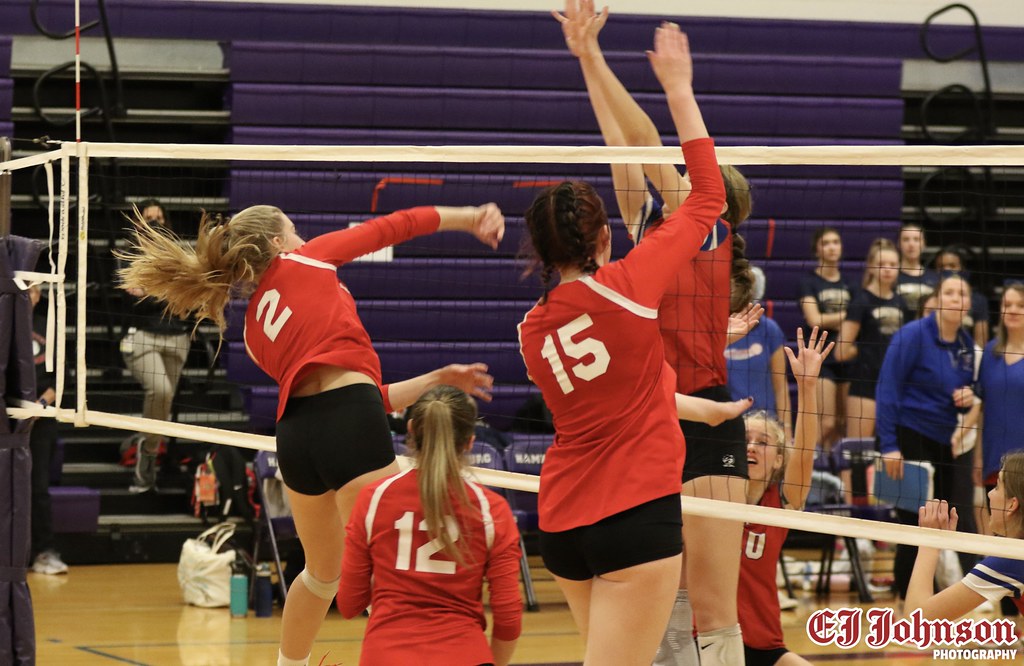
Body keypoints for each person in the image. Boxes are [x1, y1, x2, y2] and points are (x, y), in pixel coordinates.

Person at [117, 201, 504, 666]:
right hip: (350, 422)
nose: (302, 238)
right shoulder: (306, 259)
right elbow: (392, 226)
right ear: (278, 244)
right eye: (294, 230)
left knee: (322, 575)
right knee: (397, 573)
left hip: (297, 438)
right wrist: (469, 217)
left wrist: (432, 380)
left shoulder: (256, 331)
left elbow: (354, 394)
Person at [518, 20, 752, 666]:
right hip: (643, 421)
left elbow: (647, 144)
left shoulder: (707, 233)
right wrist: (588, 59)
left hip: (700, 423)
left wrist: (660, 82)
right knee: (658, 613)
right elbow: (623, 144)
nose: (664, 177)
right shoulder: (641, 246)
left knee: (709, 609)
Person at [337, 386, 522, 666]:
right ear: (470, 441)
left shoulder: (374, 499)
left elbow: (350, 604)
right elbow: (508, 620)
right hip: (464, 654)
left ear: (411, 429)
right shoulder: (491, 510)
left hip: (386, 655)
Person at [877, 274, 977, 600]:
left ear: (968, 303)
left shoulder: (964, 344)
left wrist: (967, 394)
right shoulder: (912, 335)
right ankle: (909, 599)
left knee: (941, 519)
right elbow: (888, 389)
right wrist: (890, 446)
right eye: (948, 292)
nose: (954, 298)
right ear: (936, 299)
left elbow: (966, 390)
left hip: (943, 442)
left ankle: (927, 596)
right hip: (910, 437)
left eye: (961, 293)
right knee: (913, 520)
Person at [740, 327, 833, 666]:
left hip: (764, 643)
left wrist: (807, 386)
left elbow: (805, 451)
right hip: (708, 640)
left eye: (762, 443)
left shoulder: (780, 503)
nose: (751, 446)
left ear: (779, 459)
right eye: (746, 440)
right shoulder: (713, 493)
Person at [119, 199, 192, 493]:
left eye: (159, 219)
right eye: (149, 219)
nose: (155, 224)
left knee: (165, 402)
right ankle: (147, 456)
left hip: (177, 339)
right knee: (159, 391)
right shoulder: (126, 255)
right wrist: (171, 296)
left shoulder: (181, 256)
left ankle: (145, 452)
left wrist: (160, 294)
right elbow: (134, 300)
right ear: (138, 224)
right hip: (141, 337)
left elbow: (191, 299)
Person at [904, 452, 1024, 622]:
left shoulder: (1010, 560)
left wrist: (930, 543)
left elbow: (917, 619)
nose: (989, 494)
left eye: (997, 487)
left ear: (1012, 504)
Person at [975, 282, 1024, 613]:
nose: (1012, 310)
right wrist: (977, 456)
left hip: (1023, 465)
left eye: (1019, 304)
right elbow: (980, 409)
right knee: (998, 534)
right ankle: (1005, 612)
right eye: (1007, 304)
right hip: (995, 457)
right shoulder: (990, 354)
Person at [834, 238, 910, 439]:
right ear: (871, 267)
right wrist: (869, 348)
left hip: (895, 384)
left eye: (893, 265)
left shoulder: (902, 303)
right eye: (882, 264)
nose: (887, 269)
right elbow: (841, 351)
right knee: (858, 452)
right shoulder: (861, 301)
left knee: (889, 454)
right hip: (865, 384)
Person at [27, 285, 68, 575]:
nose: (30, 295)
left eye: (34, 291)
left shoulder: (47, 327)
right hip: (6, 421)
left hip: (40, 420)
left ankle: (43, 552)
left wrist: (39, 406)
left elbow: (63, 378)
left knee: (38, 488)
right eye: (24, 290)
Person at [799, 227, 853, 448]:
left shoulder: (851, 283)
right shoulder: (808, 282)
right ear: (817, 250)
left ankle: (832, 476)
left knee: (842, 426)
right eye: (826, 243)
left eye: (836, 242)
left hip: (848, 356)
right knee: (827, 423)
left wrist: (834, 319)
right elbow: (814, 319)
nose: (832, 247)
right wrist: (850, 315)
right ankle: (802, 464)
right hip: (822, 358)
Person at [726, 267, 791, 441]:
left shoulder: (769, 328)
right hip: (726, 424)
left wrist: (786, 430)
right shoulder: (715, 328)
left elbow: (781, 386)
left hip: (764, 426)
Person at [933, 245, 991, 344]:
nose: (947, 270)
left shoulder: (978, 300)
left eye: (952, 266)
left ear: (962, 269)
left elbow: (981, 342)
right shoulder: (929, 298)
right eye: (941, 267)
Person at [895, 222, 937, 318]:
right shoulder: (891, 276)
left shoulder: (935, 279)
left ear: (924, 244)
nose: (911, 244)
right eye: (906, 239)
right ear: (899, 244)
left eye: (916, 239)